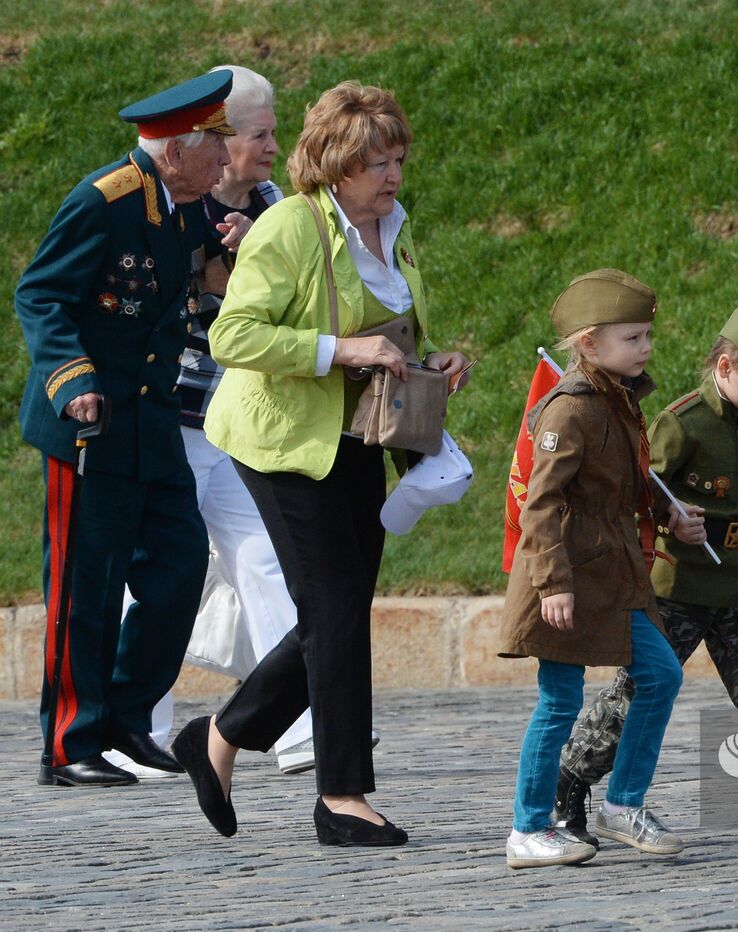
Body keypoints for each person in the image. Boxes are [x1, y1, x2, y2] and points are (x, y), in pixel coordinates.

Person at [170, 81, 470, 846]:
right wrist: (343, 350)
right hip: (280, 442)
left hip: (358, 437)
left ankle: (220, 735)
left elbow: (390, 329)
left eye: (398, 158)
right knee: (334, 607)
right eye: (376, 162)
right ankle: (341, 796)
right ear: (335, 164)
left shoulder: (391, 227)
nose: (393, 175)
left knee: (336, 609)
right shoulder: (290, 228)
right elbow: (234, 335)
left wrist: (428, 357)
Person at [15, 71, 248, 787]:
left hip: (149, 422)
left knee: (178, 573)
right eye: (218, 144)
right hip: (89, 427)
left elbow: (199, 274)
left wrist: (236, 242)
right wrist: (72, 378)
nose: (227, 158)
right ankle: (69, 742)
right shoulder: (104, 201)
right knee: (86, 588)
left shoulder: (186, 206)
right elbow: (41, 293)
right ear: (177, 150)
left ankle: (122, 718)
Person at [555, 302, 738, 847]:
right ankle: (569, 783)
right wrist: (672, 522)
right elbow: (638, 494)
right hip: (678, 590)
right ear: (725, 367)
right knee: (636, 695)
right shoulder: (680, 423)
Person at [107, 64, 324, 779]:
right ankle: (131, 733)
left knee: (264, 557)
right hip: (168, 418)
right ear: (216, 142)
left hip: (236, 419)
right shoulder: (164, 206)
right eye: (258, 134)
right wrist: (211, 263)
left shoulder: (273, 205)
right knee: (158, 571)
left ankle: (290, 727)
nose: (270, 147)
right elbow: (138, 302)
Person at [499, 269, 704, 869]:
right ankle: (528, 829)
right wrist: (553, 586)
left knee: (662, 676)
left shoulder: (619, 398)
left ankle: (622, 806)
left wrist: (670, 514)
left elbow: (629, 484)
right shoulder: (570, 411)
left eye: (645, 337)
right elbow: (541, 504)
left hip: (614, 574)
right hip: (564, 576)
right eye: (633, 339)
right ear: (589, 344)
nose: (646, 349)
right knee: (559, 702)